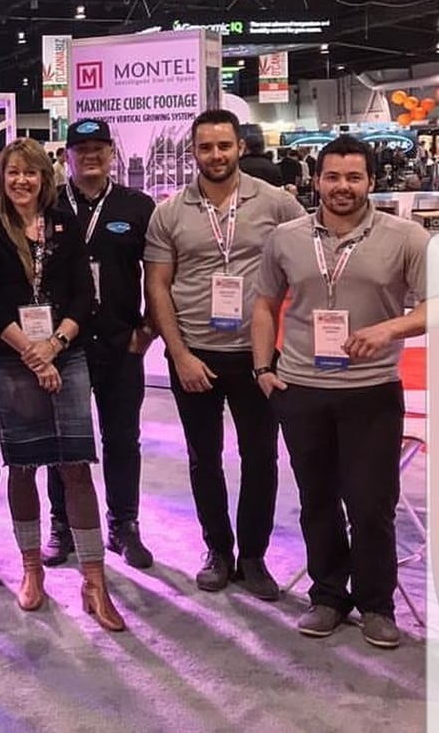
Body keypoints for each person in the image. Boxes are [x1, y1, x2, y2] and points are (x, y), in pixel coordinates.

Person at [252, 135, 429, 649]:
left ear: (371, 181)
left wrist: (389, 329)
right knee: (318, 500)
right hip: (302, 388)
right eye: (332, 177)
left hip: (371, 391)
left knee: (371, 504)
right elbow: (264, 303)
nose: (342, 187)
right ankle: (328, 595)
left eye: (354, 177)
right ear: (317, 180)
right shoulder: (286, 238)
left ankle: (376, 605)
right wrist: (263, 367)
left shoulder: (406, 237)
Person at [144, 109, 306, 599]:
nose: (215, 155)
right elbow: (158, 286)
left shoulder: (277, 204)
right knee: (204, 457)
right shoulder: (170, 212)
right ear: (192, 152)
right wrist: (178, 355)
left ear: (240, 148)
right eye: (205, 147)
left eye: (224, 146)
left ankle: (253, 557)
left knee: (260, 457)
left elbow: (309, 263)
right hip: (195, 354)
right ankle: (217, 549)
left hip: (257, 356)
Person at [0, 138, 125, 631]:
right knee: (22, 466)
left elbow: (83, 295)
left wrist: (54, 345)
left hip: (65, 353)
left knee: (76, 466)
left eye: (31, 172)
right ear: (1, 178)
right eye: (13, 172)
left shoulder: (65, 224)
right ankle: (31, 568)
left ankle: (94, 580)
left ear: (45, 178)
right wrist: (31, 353)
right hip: (11, 358)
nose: (22, 181)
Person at [42, 119, 157, 570]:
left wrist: (148, 329)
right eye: (81, 148)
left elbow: (159, 275)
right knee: (62, 441)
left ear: (111, 153)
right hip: (63, 346)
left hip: (119, 343)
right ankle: (62, 523)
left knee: (123, 438)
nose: (90, 156)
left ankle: (124, 524)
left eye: (98, 148)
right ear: (66, 156)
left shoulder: (137, 206)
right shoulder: (48, 205)